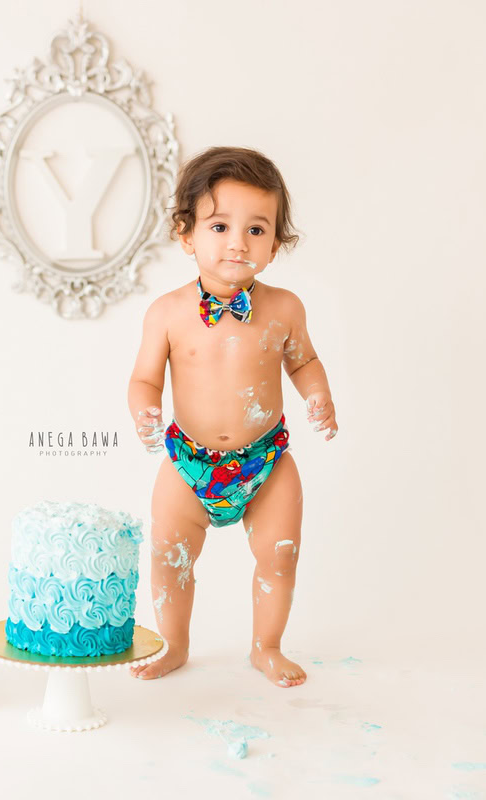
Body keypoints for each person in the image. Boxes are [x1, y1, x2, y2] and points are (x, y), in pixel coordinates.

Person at [125, 146, 338, 686]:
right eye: (219, 226)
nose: (238, 242)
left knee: (280, 557)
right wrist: (144, 408)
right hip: (188, 462)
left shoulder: (284, 308)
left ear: (275, 244)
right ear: (185, 234)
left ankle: (266, 646)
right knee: (169, 555)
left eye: (257, 229)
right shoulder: (168, 313)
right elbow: (146, 377)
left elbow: (305, 361)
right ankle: (173, 644)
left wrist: (319, 395)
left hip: (266, 461)